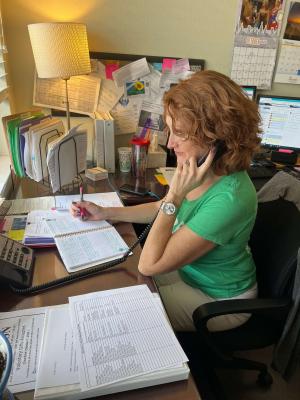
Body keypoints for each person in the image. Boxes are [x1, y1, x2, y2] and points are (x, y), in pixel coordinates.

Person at [70, 70, 261, 332]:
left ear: (216, 134)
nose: (170, 143)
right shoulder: (205, 169)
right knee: (114, 280)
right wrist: (106, 212)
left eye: (179, 133)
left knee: (124, 313)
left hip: (219, 298)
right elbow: (162, 209)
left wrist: (175, 195)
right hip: (190, 273)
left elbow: (150, 264)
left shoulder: (231, 198)